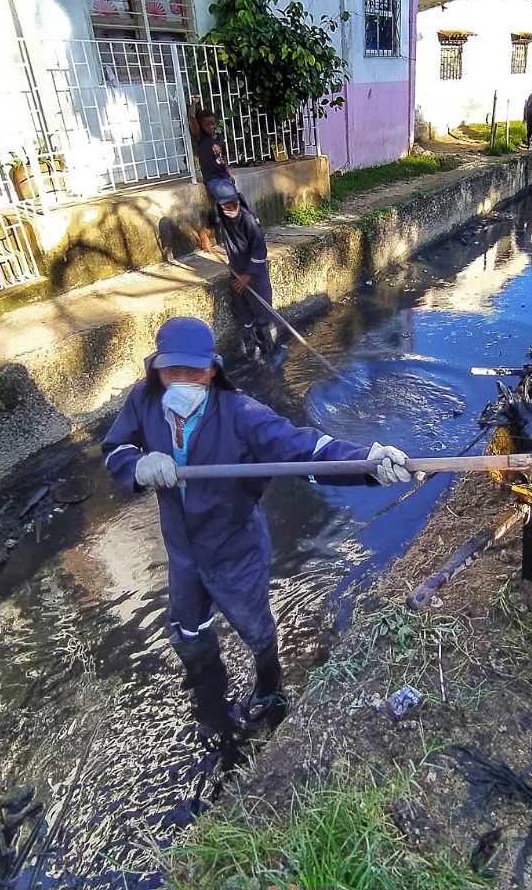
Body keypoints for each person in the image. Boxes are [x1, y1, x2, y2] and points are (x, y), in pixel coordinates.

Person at [102, 317, 414, 745]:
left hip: (235, 546)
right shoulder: (143, 399)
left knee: (254, 627)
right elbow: (115, 448)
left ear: (213, 370)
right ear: (156, 368)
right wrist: (137, 464)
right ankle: (209, 695)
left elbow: (304, 449)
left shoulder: (241, 415)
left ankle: (270, 686)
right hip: (182, 549)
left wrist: (367, 463)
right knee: (188, 626)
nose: (183, 380)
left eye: (194, 371)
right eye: (172, 370)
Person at [199, 178, 279, 361]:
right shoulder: (219, 211)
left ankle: (273, 355)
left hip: (255, 273)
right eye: (226, 205)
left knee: (264, 312)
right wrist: (204, 233)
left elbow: (260, 249)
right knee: (242, 311)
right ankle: (252, 351)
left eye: (233, 203)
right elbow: (209, 224)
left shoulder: (249, 221)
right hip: (236, 269)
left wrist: (248, 275)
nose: (231, 207)